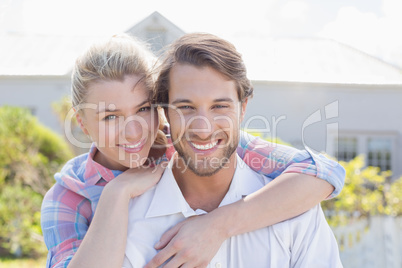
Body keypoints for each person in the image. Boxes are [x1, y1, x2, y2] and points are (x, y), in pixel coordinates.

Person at [41, 34, 345, 268]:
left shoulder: (185, 141)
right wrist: (116, 194)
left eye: (143, 110)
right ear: (81, 122)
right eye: (110, 116)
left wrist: (216, 225)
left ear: (158, 110)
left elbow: (322, 171)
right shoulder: (69, 196)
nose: (133, 132)